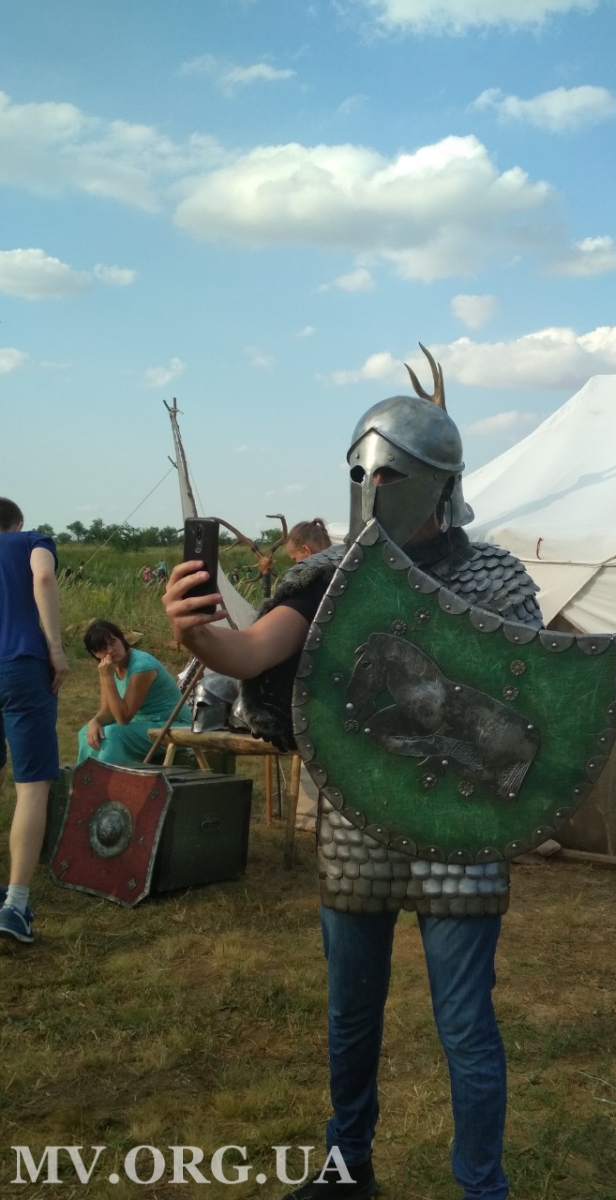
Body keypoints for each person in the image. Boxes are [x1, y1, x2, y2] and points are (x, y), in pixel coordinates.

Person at [162, 346, 542, 1200]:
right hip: (357, 816)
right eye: (362, 476)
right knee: (350, 1016)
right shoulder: (331, 577)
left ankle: (482, 1189)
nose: (373, 493)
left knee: (465, 1027)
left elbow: (527, 707)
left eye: (392, 477)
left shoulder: (494, 580)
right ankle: (347, 1171)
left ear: (440, 487)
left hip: (459, 823)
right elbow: (253, 650)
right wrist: (198, 635)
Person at [0, 497, 69, 946]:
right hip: (21, 665)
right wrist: (56, 650)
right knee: (31, 786)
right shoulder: (31, 541)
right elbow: (43, 577)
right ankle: (16, 906)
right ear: (18, 522)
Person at [77, 620, 190, 765]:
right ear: (95, 654)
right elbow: (108, 710)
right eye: (103, 648)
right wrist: (95, 721)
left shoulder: (142, 666)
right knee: (86, 733)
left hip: (173, 726)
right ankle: (87, 776)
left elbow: (123, 718)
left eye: (113, 643)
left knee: (113, 733)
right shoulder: (108, 668)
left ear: (122, 639)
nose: (110, 651)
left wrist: (107, 677)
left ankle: (106, 777)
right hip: (143, 724)